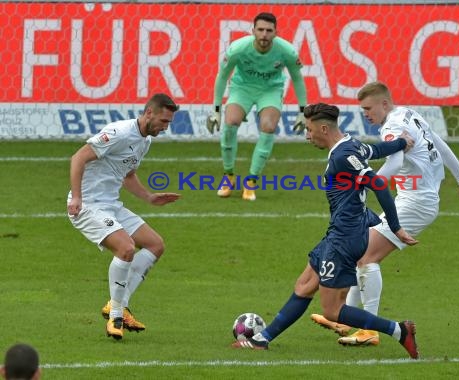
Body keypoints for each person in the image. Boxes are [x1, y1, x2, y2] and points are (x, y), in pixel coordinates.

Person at [232, 102, 422, 359]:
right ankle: (262, 339)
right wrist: (400, 143)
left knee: (332, 310)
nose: (307, 136)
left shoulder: (343, 156)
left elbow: (377, 183)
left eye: (309, 130)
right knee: (304, 285)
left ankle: (399, 330)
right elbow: (376, 149)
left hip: (345, 238)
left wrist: (396, 227)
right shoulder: (352, 145)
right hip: (339, 233)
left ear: (323, 128)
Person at [311, 82, 459, 346]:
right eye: (362, 109)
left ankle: (367, 330)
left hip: (416, 203)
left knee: (367, 256)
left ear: (384, 104)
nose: (366, 114)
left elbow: (393, 161)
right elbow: (439, 143)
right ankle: (347, 320)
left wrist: (366, 184)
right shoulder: (409, 113)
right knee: (361, 252)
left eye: (368, 108)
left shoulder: (393, 128)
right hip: (417, 199)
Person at [67, 93, 181, 340]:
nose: (165, 127)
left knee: (155, 245)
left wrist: (149, 197)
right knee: (127, 249)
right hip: (88, 206)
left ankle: (118, 305)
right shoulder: (119, 132)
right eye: (163, 121)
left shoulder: (145, 141)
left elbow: (127, 176)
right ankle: (116, 316)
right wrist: (76, 197)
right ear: (149, 113)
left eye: (168, 123)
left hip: (111, 205)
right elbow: (79, 157)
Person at [206, 12, 308, 201]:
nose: (264, 34)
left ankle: (251, 181)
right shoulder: (238, 48)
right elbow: (222, 76)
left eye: (269, 30)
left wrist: (303, 111)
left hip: (270, 90)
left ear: (275, 33)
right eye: (260, 30)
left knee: (268, 126)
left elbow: (297, 79)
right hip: (241, 88)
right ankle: (229, 176)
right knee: (230, 122)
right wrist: (216, 110)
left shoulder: (287, 51)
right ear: (253, 30)